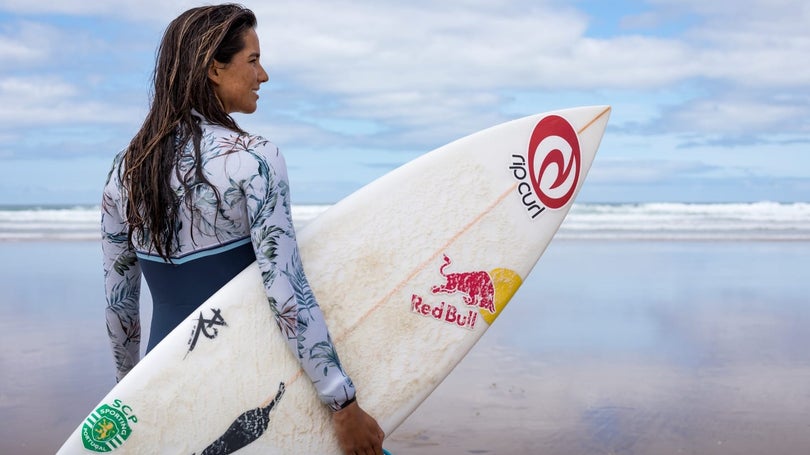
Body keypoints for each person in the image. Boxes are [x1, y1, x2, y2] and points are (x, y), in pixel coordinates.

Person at [100, 4, 384, 453]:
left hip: (165, 382)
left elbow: (121, 306)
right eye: (252, 60)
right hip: (246, 383)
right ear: (215, 68)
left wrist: (127, 399)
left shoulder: (126, 169)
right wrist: (342, 403)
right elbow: (286, 291)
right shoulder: (254, 159)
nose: (263, 75)